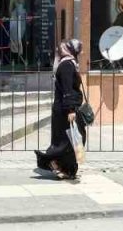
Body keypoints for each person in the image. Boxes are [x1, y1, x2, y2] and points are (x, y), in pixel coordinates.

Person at [35, 39, 85, 180]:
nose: (81, 52)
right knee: (66, 142)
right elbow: (67, 90)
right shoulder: (67, 66)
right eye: (78, 49)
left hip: (67, 109)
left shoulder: (69, 64)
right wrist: (70, 110)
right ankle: (55, 164)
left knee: (71, 141)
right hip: (66, 111)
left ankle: (65, 168)